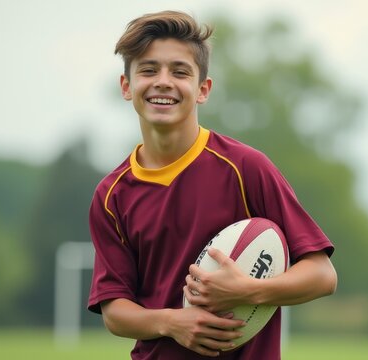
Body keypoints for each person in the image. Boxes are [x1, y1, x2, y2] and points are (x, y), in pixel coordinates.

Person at [87, 10, 337, 359]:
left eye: (179, 71)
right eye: (148, 69)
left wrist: (248, 290)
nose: (163, 81)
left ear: (203, 89)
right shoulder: (111, 195)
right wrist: (172, 322)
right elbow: (115, 311)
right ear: (126, 86)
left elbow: (322, 275)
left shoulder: (246, 168)